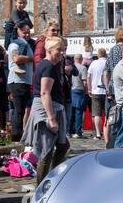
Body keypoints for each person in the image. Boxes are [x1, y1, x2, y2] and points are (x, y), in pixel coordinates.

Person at [25, 36, 72, 183]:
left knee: (62, 145)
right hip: (47, 109)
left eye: (63, 49)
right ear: (50, 50)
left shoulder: (50, 65)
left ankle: (51, 178)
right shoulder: (48, 66)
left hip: (51, 107)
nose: (62, 53)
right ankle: (43, 184)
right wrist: (51, 118)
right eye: (59, 49)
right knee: (47, 150)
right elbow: (45, 93)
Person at [6, 18, 36, 142]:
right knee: (18, 110)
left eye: (29, 32)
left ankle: (18, 134)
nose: (27, 35)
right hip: (17, 81)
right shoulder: (15, 44)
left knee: (22, 109)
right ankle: (16, 136)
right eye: (24, 32)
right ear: (18, 31)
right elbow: (16, 58)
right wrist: (30, 58)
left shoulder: (25, 43)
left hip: (25, 81)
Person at [87, 48, 109, 142]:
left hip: (96, 91)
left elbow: (88, 76)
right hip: (106, 91)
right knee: (108, 114)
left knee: (97, 114)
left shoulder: (93, 63)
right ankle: (107, 132)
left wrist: (89, 89)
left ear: (98, 55)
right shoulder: (107, 62)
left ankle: (98, 133)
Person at [68, 53, 88, 139]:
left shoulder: (69, 67)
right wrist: (86, 91)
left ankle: (69, 131)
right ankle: (78, 132)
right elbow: (84, 81)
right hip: (79, 91)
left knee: (71, 112)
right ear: (81, 59)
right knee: (78, 112)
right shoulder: (83, 68)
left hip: (70, 90)